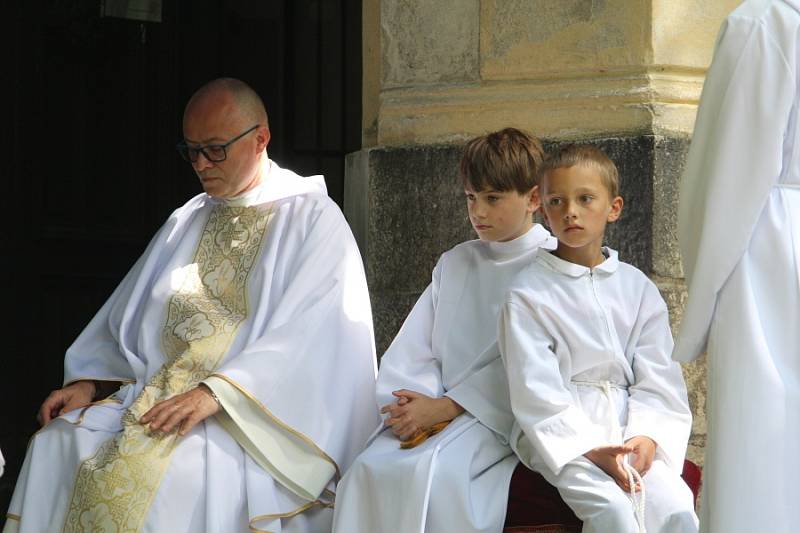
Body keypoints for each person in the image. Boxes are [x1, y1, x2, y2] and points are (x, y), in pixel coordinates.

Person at [4, 78, 377, 533]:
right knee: (58, 443)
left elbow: (318, 334)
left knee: (177, 477)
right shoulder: (187, 218)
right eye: (191, 150)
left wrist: (217, 393)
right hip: (154, 395)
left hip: (245, 417)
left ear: (261, 139)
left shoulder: (312, 219)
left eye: (215, 149)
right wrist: (91, 381)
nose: (201, 164)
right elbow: (131, 311)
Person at [332, 128, 555, 532]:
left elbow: (535, 366)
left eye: (493, 198)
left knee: (441, 480)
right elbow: (416, 348)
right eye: (471, 198)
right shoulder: (455, 263)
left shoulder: (552, 267)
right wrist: (412, 403)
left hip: (498, 422)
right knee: (365, 471)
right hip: (436, 411)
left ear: (533, 199)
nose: (478, 213)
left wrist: (450, 407)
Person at [499, 145, 697, 533]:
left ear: (614, 207)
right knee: (613, 512)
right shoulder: (527, 293)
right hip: (561, 430)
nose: (570, 210)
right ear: (543, 210)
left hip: (629, 422)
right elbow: (534, 389)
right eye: (557, 201)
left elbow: (659, 377)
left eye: (585, 198)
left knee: (675, 507)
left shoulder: (637, 288)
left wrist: (646, 437)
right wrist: (588, 448)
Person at [674, 2, 800, 531]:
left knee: (761, 437)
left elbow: (725, 168)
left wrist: (698, 309)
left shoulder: (763, 22)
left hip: (768, 244)